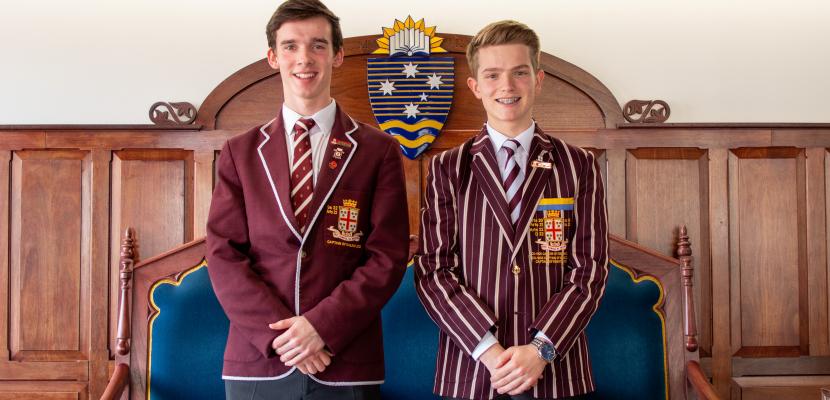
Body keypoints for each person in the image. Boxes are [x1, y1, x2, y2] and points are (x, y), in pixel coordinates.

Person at [206, 1, 409, 399]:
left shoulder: (377, 150)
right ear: (273, 57)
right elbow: (223, 253)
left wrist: (322, 328)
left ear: (337, 55)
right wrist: (286, 338)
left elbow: (387, 255)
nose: (304, 58)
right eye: (290, 46)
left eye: (317, 45)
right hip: (260, 360)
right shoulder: (240, 152)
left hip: (345, 359)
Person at [414, 20, 608, 400]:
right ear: (475, 87)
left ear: (538, 80)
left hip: (557, 375)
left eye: (520, 73)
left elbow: (590, 270)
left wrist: (541, 350)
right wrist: (490, 352)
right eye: (492, 75)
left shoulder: (578, 165)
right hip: (473, 374)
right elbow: (434, 271)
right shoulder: (448, 168)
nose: (507, 86)